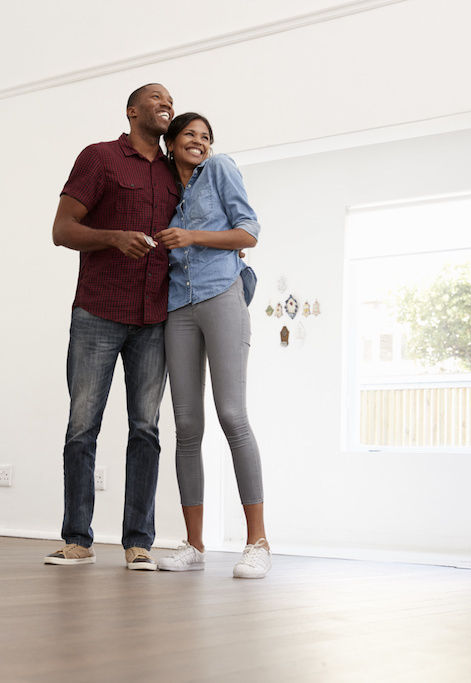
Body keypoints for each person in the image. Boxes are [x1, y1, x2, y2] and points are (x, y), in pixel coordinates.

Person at [45, 84, 178, 570]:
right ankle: (77, 540)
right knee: (83, 427)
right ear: (132, 111)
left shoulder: (176, 172)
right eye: (158, 98)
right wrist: (112, 239)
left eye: (172, 99)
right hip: (98, 313)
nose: (168, 103)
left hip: (155, 319)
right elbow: (62, 230)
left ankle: (138, 542)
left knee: (146, 429)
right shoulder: (99, 158)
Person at [154, 112, 271, 579]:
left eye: (205, 136)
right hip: (177, 304)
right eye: (190, 135)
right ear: (171, 143)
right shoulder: (163, 189)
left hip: (221, 293)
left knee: (232, 416)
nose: (200, 142)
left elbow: (249, 233)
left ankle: (258, 542)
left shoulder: (219, 168)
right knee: (186, 425)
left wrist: (193, 236)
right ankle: (194, 544)